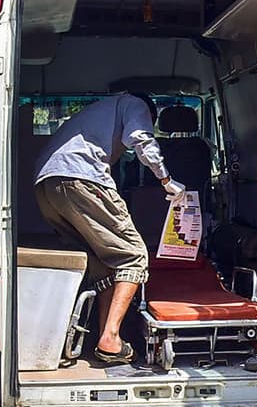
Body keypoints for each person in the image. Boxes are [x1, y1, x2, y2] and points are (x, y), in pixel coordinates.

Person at [34, 93, 185, 363]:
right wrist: (166, 180)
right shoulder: (135, 104)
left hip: (48, 187)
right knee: (134, 255)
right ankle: (111, 337)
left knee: (103, 262)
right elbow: (141, 140)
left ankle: (104, 339)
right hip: (81, 179)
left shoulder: (99, 113)